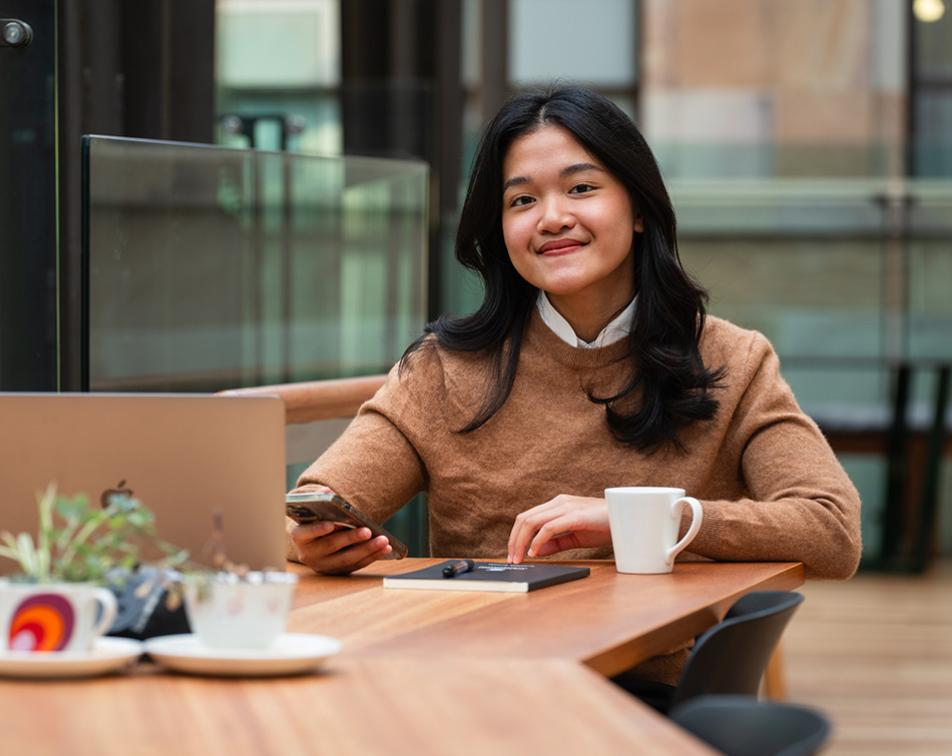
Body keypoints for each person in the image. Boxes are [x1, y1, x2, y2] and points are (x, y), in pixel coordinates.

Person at [287, 87, 862, 681]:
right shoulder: (443, 368)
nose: (552, 216)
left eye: (581, 188)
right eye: (522, 200)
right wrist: (312, 542)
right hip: (472, 679)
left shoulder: (732, 360)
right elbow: (316, 506)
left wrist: (640, 522)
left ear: (638, 209)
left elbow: (831, 530)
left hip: (642, 695)